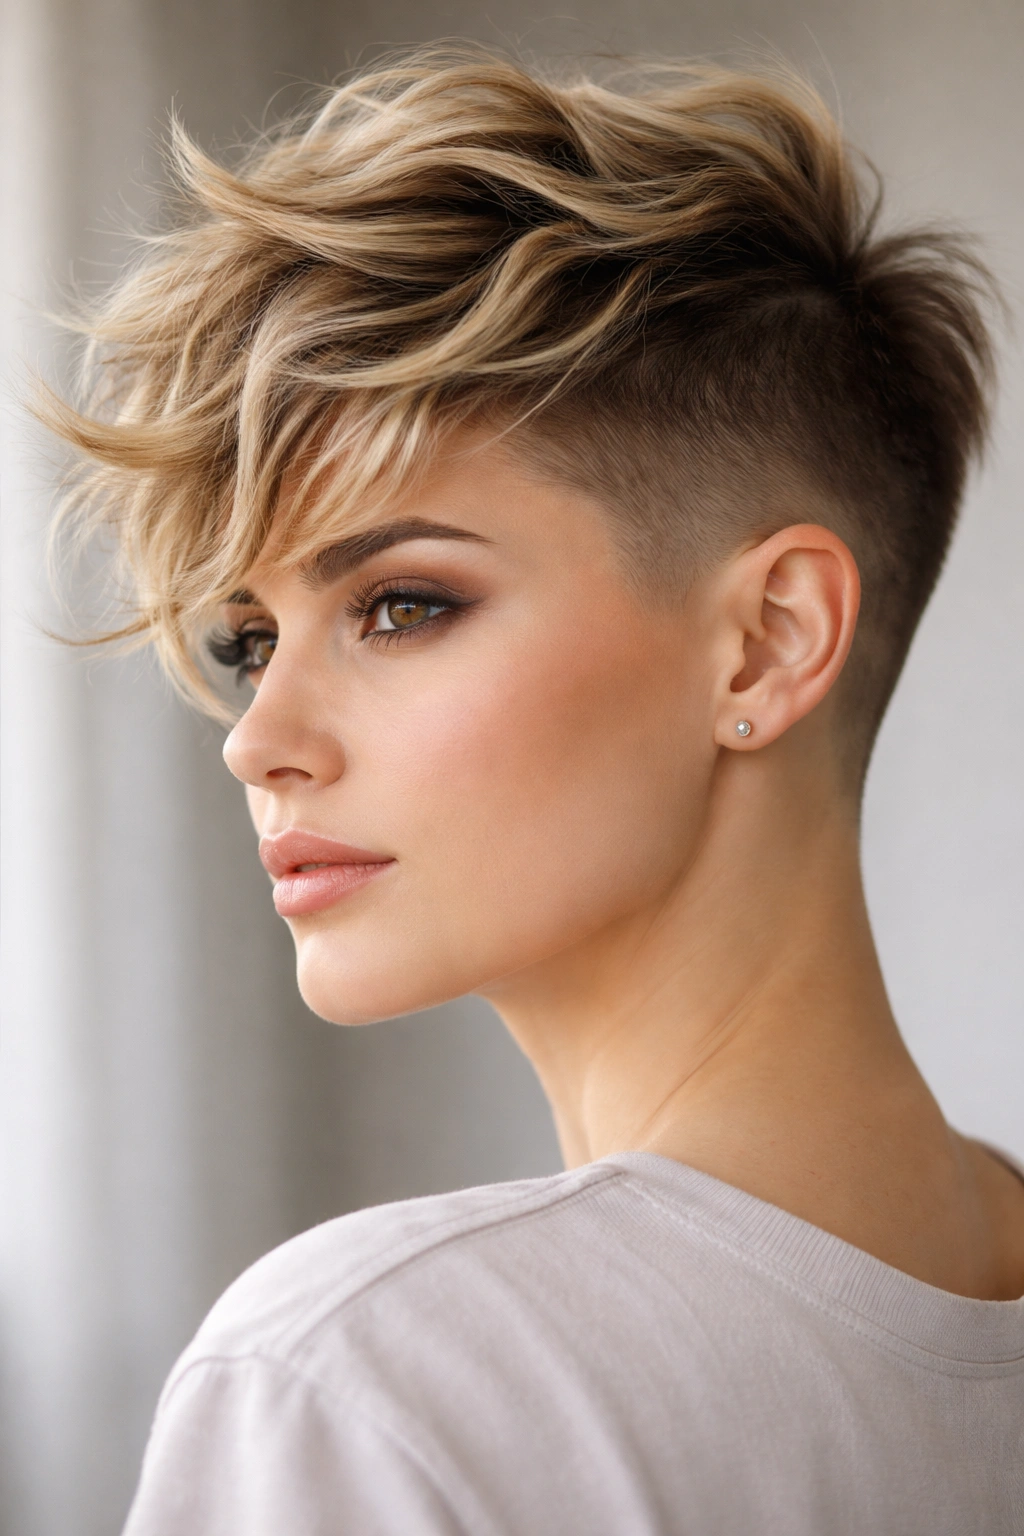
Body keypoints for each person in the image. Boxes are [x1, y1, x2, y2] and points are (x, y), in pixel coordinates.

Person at [42, 47, 1023, 1535]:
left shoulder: (366, 1383)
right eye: (250, 641)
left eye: (402, 604)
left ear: (766, 642)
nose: (259, 739)